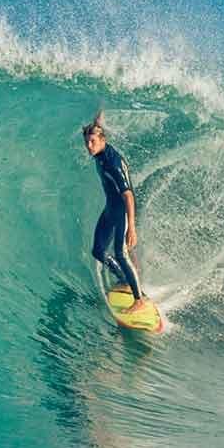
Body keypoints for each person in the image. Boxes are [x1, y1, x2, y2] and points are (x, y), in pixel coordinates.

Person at [82, 111, 146, 313]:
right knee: (98, 251)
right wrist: (98, 118)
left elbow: (128, 196)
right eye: (87, 142)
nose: (89, 146)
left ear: (103, 140)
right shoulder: (99, 152)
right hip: (110, 208)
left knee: (120, 253)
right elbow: (96, 129)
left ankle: (139, 299)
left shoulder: (112, 163)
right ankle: (124, 278)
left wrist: (131, 227)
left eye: (92, 142)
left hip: (122, 212)